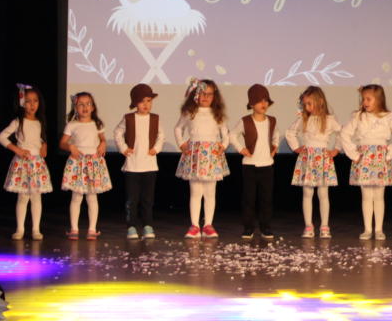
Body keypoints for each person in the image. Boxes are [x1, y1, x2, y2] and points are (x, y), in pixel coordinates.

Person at [340, 84, 392, 240]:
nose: (365, 102)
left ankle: (379, 229)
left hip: (380, 158)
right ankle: (367, 229)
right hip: (364, 158)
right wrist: (354, 154)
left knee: (379, 196)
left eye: (368, 99)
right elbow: (344, 133)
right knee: (366, 196)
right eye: (363, 99)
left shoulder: (388, 117)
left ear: (379, 100)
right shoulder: (359, 116)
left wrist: (390, 154)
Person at [174, 78, 230, 239]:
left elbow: (225, 133)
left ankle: (208, 225)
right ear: (196, 94)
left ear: (214, 96)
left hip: (212, 156)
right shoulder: (189, 112)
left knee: (210, 192)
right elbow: (178, 128)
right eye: (202, 93)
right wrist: (181, 144)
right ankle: (194, 226)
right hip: (195, 155)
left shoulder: (217, 114)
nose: (205, 97)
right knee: (196, 191)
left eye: (209, 94)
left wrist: (223, 145)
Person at [0, 83, 52, 240]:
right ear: (22, 102)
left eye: (35, 101)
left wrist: (44, 145)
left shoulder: (40, 121)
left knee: (36, 197)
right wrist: (17, 149)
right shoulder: (18, 121)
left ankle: (36, 229)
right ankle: (20, 229)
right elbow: (1, 137)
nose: (32, 104)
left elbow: (40, 139)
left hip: (37, 164)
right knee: (22, 197)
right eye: (28, 101)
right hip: (23, 163)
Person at [285, 86, 341, 239]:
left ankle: (324, 226)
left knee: (323, 193)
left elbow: (341, 132)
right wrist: (296, 148)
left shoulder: (329, 120)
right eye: (305, 105)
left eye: (309, 103)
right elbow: (290, 132)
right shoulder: (304, 119)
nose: (307, 107)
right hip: (308, 158)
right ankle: (308, 225)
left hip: (323, 158)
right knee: (307, 193)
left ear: (320, 101)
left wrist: (336, 149)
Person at [112, 83, 165, 241]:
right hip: (132, 166)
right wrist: (123, 148)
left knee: (147, 199)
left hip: (149, 165)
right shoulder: (128, 118)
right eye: (142, 101)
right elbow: (117, 132)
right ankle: (131, 226)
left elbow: (161, 135)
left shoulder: (155, 118)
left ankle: (148, 225)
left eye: (149, 101)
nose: (146, 105)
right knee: (132, 199)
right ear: (135, 103)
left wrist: (156, 148)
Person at [60, 92, 111, 240]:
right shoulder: (72, 125)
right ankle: (74, 229)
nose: (85, 107)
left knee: (92, 197)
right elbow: (62, 143)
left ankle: (92, 229)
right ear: (75, 107)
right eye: (81, 104)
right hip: (78, 163)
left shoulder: (97, 124)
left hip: (93, 163)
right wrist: (70, 147)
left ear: (93, 107)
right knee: (76, 196)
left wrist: (103, 143)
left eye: (88, 104)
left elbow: (102, 139)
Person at [231, 83, 279, 240]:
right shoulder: (245, 121)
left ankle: (266, 227)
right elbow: (232, 135)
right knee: (249, 199)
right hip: (250, 166)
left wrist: (275, 147)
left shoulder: (271, 120)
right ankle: (248, 228)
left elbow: (276, 135)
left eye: (265, 100)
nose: (263, 104)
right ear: (251, 104)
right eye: (259, 100)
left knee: (266, 199)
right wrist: (241, 149)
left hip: (267, 166)